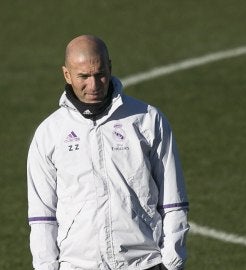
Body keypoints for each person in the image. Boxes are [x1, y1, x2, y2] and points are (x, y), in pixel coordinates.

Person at [27, 35, 189, 270]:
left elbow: (173, 199)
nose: (93, 85)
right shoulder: (49, 133)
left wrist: (172, 262)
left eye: (100, 74)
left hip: (143, 263)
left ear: (110, 67)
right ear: (67, 74)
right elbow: (42, 214)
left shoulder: (147, 119)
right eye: (83, 76)